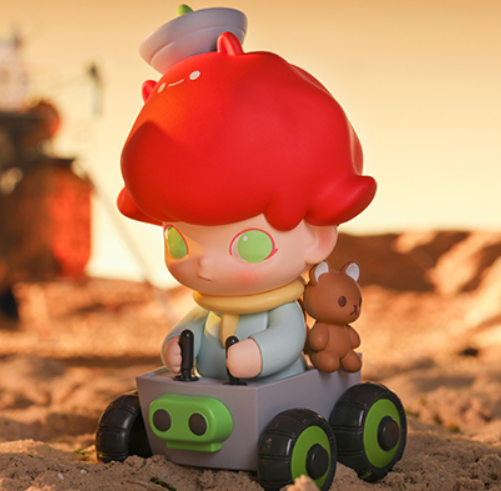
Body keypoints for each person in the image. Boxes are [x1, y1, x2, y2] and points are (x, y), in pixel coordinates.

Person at [117, 30, 376, 383]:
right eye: (177, 241)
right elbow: (191, 327)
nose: (204, 263)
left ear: (317, 237)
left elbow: (288, 339)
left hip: (273, 396)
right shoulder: (210, 307)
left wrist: (259, 353)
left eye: (250, 245)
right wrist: (174, 346)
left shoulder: (281, 310)